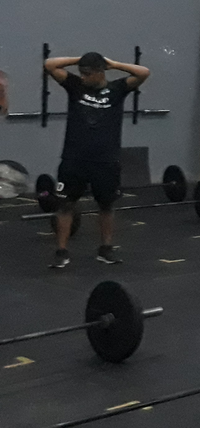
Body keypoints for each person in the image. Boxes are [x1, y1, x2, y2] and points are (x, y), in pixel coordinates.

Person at [43, 52, 150, 268]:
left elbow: (144, 72)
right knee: (65, 205)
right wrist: (80, 59)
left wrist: (114, 64)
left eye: (88, 73)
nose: (83, 77)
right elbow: (50, 64)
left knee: (106, 205)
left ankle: (106, 249)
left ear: (100, 72)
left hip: (106, 160)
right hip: (74, 158)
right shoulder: (75, 86)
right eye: (81, 73)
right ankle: (61, 252)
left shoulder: (118, 89)